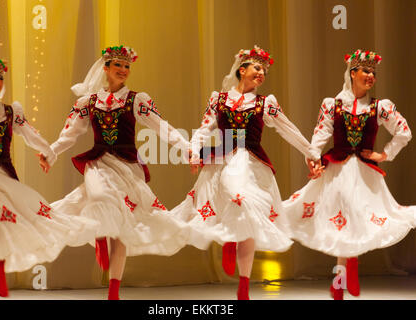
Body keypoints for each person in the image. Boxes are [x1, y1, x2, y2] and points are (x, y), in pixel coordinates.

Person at [41, 45, 198, 300]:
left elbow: (163, 128)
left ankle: (114, 291)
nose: (124, 70)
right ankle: (100, 234)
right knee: (98, 196)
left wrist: (188, 149)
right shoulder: (89, 102)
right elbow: (69, 134)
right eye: (118, 66)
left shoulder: (136, 100)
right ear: (106, 69)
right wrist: (51, 152)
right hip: (99, 161)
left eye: (127, 67)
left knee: (123, 225)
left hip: (126, 165)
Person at [170, 46, 320, 300]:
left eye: (264, 70)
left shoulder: (265, 104)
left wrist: (312, 154)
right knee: (234, 196)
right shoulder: (219, 100)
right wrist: (194, 151)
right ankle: (230, 241)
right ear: (242, 70)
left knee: (245, 209)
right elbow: (204, 128)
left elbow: (288, 129)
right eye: (257, 68)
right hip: (222, 158)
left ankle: (243, 284)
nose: (262, 73)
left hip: (250, 161)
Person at [282, 49, 415, 300]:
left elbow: (404, 132)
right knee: (345, 216)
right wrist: (313, 161)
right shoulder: (333, 105)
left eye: (373, 73)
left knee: (354, 218)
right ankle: (346, 273)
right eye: (366, 71)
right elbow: (318, 137)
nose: (371, 76)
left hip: (365, 171)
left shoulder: (379, 107)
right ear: (352, 73)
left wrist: (384, 154)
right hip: (338, 168)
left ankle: (342, 277)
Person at [0, 56, 98, 300]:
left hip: (4, 175)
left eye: (0, 76)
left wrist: (48, 152)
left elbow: (30, 134)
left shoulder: (10, 112)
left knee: (4, 223)